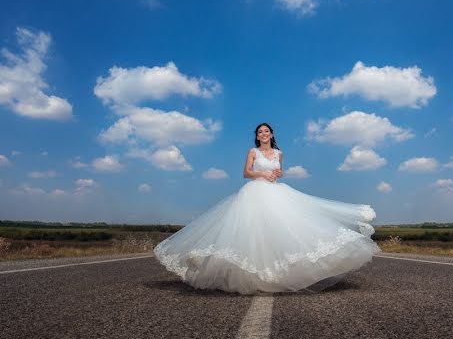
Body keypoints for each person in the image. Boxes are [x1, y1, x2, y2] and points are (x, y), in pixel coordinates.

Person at [154, 122, 379, 294]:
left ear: (271, 134)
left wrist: (278, 173)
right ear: (257, 136)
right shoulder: (253, 152)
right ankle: (254, 275)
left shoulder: (279, 153)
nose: (263, 134)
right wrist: (262, 173)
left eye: (266, 131)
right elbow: (246, 173)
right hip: (255, 192)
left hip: (276, 192)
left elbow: (279, 172)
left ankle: (278, 274)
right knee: (252, 232)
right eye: (260, 132)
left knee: (282, 229)